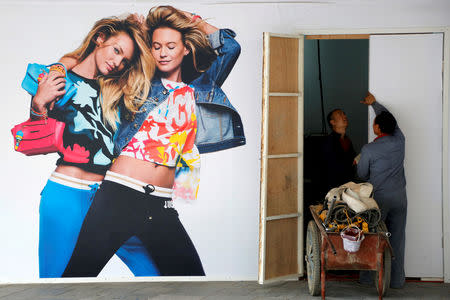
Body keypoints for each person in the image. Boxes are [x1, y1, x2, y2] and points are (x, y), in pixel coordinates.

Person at [62, 5, 244, 277]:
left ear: (186, 49)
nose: (163, 52)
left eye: (171, 45)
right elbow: (89, 59)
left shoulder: (202, 86)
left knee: (192, 281)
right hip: (119, 196)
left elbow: (231, 48)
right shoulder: (142, 81)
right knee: (77, 277)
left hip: (160, 203)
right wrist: (60, 66)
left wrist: (190, 21)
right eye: (156, 46)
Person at [31, 16, 159, 278]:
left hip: (110, 198)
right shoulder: (60, 78)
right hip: (66, 193)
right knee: (56, 284)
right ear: (100, 38)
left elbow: (153, 71)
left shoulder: (118, 89)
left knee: (158, 274)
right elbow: (35, 135)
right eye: (116, 50)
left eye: (124, 60)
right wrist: (38, 105)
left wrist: (144, 34)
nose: (117, 63)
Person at [357, 92, 407, 289]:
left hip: (378, 200)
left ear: (376, 128)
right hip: (400, 198)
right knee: (398, 238)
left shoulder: (368, 150)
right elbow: (391, 122)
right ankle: (397, 281)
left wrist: (358, 160)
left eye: (375, 122)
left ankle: (367, 279)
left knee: (370, 237)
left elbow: (362, 175)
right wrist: (375, 104)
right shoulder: (400, 140)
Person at [320, 108, 356, 196]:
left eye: (344, 114)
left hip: (347, 188)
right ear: (333, 122)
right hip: (334, 190)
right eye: (340, 114)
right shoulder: (329, 142)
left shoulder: (347, 140)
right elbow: (329, 169)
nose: (344, 116)